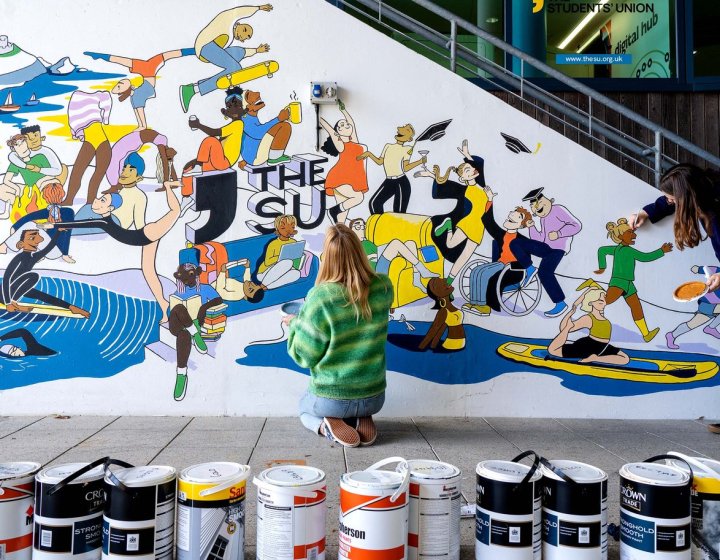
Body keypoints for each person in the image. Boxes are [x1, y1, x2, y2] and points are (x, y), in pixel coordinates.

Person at [285, 224, 393, 448]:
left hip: (331, 399)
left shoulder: (320, 298)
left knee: (304, 409)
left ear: (328, 258)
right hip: (374, 397)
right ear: (359, 251)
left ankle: (326, 427)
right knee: (358, 403)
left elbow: (304, 356)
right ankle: (361, 417)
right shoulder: (384, 287)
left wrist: (295, 324)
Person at [44, 181, 182, 321]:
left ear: (109, 208)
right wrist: (55, 225)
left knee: (175, 211)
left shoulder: (103, 222)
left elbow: (79, 224)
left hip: (148, 233)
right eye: (99, 198)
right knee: (149, 273)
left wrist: (55, 224)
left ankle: (168, 185)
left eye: (102, 200)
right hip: (144, 238)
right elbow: (81, 224)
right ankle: (164, 306)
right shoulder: (103, 222)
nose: (97, 200)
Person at [629, 164, 720, 292]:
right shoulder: (701, 186)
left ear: (687, 197)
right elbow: (672, 200)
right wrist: (646, 213)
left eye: (672, 199)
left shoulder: (714, 210)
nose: (669, 202)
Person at [415, 140, 488, 285]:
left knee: (464, 257)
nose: (472, 170)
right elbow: (443, 186)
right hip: (467, 224)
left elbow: (479, 164)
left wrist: (467, 155)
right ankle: (448, 226)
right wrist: (432, 176)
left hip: (479, 228)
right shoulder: (466, 190)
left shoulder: (482, 186)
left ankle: (448, 283)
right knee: (450, 245)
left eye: (471, 168)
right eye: (468, 170)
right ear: (463, 178)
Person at [179, 4, 273, 112]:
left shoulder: (230, 38)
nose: (244, 34)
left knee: (239, 52)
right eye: (245, 29)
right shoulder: (228, 21)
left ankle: (191, 88)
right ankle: (195, 90)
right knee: (235, 68)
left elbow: (243, 52)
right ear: (238, 23)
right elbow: (239, 11)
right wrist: (259, 8)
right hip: (206, 46)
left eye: (247, 37)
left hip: (212, 48)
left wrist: (257, 50)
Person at [596, 218, 673, 342]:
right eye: (630, 233)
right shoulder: (625, 251)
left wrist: (602, 267)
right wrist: (661, 251)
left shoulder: (619, 250)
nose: (634, 235)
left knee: (636, 307)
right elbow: (645, 257)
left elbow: (602, 251)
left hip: (628, 283)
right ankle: (590, 299)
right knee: (604, 301)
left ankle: (646, 334)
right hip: (619, 282)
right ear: (621, 236)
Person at [462, 189, 533, 315]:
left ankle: (485, 307)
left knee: (488, 276)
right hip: (500, 264)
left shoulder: (522, 240)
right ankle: (475, 302)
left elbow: (526, 261)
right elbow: (489, 223)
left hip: (514, 270)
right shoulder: (502, 235)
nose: (512, 214)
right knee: (476, 271)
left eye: (518, 215)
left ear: (521, 225)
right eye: (513, 213)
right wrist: (490, 200)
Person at [85, 49, 193, 129]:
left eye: (119, 84)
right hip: (148, 71)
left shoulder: (135, 95)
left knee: (127, 61)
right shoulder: (136, 97)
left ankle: (102, 56)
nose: (120, 83)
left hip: (146, 72)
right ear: (124, 90)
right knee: (163, 56)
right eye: (120, 86)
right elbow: (140, 116)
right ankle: (193, 51)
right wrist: (141, 127)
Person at [1, 229, 90, 317]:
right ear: (21, 244)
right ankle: (14, 303)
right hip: (4, 294)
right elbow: (6, 279)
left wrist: (58, 231)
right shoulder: (19, 258)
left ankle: (71, 307)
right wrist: (8, 303)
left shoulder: (33, 257)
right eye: (32, 238)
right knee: (33, 276)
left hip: (17, 288)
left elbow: (49, 247)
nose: (37, 241)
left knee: (39, 295)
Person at [522, 187, 582, 317]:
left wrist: (559, 233)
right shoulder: (543, 219)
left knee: (545, 272)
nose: (536, 208)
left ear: (548, 201)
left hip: (557, 249)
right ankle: (529, 268)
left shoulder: (557, 209)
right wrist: (531, 227)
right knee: (517, 243)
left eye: (539, 204)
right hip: (546, 247)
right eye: (533, 207)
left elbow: (576, 225)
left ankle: (560, 303)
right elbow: (541, 239)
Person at [169, 263, 224, 401]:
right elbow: (172, 311)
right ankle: (196, 335)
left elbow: (219, 299)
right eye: (184, 277)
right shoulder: (179, 292)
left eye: (191, 275)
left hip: (192, 324)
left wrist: (204, 307)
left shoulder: (204, 288)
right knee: (179, 307)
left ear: (197, 274)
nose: (187, 280)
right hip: (177, 324)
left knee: (183, 335)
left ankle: (181, 375)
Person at [182, 87, 247, 197]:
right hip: (216, 160)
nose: (234, 110)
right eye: (230, 107)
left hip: (224, 162)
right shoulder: (231, 126)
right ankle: (186, 196)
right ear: (225, 112)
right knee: (188, 167)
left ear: (243, 110)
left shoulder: (238, 124)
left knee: (211, 140)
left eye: (238, 106)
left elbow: (214, 132)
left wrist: (198, 125)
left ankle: (199, 165)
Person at [548, 282, 629, 366]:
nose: (603, 303)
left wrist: (590, 289)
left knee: (625, 359)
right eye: (600, 301)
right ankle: (593, 356)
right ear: (591, 303)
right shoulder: (588, 318)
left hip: (602, 347)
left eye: (603, 301)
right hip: (588, 347)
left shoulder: (603, 317)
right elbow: (563, 328)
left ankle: (595, 358)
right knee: (553, 350)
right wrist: (570, 315)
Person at [349, 217, 437, 290]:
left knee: (411, 243)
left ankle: (417, 279)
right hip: (375, 272)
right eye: (357, 227)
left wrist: (386, 249)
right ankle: (423, 270)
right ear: (351, 231)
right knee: (395, 243)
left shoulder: (367, 242)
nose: (361, 228)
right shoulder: (354, 245)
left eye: (363, 226)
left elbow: (378, 251)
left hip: (380, 262)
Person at [359, 124, 426, 214]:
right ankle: (380, 226)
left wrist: (420, 161)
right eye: (403, 129)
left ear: (409, 139)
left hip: (401, 182)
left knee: (399, 213)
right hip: (389, 181)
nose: (401, 131)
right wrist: (369, 154)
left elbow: (406, 167)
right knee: (374, 203)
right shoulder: (388, 146)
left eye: (407, 131)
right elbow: (380, 162)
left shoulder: (408, 148)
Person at [320, 100, 368, 224]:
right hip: (340, 178)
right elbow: (331, 130)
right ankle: (332, 211)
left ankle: (339, 236)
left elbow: (351, 123)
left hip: (353, 179)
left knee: (341, 218)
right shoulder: (342, 145)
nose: (345, 126)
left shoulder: (356, 143)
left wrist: (343, 110)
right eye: (340, 126)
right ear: (339, 134)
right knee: (358, 197)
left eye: (346, 124)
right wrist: (316, 116)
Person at [63, 90, 113, 205]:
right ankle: (70, 199)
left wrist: (105, 118)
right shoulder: (77, 99)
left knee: (95, 174)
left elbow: (106, 97)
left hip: (102, 144)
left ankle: (90, 201)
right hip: (91, 142)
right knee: (77, 172)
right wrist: (105, 118)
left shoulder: (96, 98)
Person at [9, 182, 76, 263]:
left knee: (33, 225)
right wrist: (16, 226)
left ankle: (6, 246)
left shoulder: (67, 212)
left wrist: (65, 254)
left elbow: (67, 231)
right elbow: (30, 216)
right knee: (33, 225)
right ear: (62, 195)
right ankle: (41, 254)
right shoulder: (52, 211)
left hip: (56, 251)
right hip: (48, 250)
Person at [103, 129, 177, 192]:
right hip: (133, 140)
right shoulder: (162, 143)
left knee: (116, 160)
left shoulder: (163, 141)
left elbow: (167, 163)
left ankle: (115, 185)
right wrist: (166, 183)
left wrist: (167, 183)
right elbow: (165, 162)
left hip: (133, 141)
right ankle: (114, 185)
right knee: (114, 160)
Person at [666, 265, 720, 348]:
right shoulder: (717, 271)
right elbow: (703, 269)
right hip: (707, 304)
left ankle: (672, 335)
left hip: (715, 307)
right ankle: (711, 328)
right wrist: (697, 268)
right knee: (691, 324)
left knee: (691, 324)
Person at [240, 88, 292, 165]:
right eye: (248, 96)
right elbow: (258, 133)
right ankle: (275, 157)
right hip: (255, 157)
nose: (257, 93)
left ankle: (274, 155)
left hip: (251, 156)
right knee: (285, 126)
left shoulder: (249, 117)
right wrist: (278, 119)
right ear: (247, 107)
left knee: (279, 125)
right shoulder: (245, 119)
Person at [419, 277, 466, 351]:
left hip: (459, 344)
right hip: (452, 344)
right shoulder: (443, 311)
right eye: (442, 283)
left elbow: (442, 328)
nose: (445, 280)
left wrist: (433, 345)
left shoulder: (448, 308)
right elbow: (434, 330)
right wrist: (422, 347)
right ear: (438, 293)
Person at [256, 215, 302, 289]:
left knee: (297, 273)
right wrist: (280, 257)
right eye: (283, 227)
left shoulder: (293, 242)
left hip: (283, 271)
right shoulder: (273, 244)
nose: (287, 230)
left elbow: (295, 258)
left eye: (292, 227)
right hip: (264, 273)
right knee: (287, 262)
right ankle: (263, 284)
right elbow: (267, 262)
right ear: (278, 229)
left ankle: (266, 287)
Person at [111, 153, 147, 230]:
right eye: (124, 169)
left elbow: (139, 224)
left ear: (139, 178)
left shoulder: (140, 196)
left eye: (131, 170)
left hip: (116, 226)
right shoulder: (122, 191)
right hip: (109, 221)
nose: (124, 173)